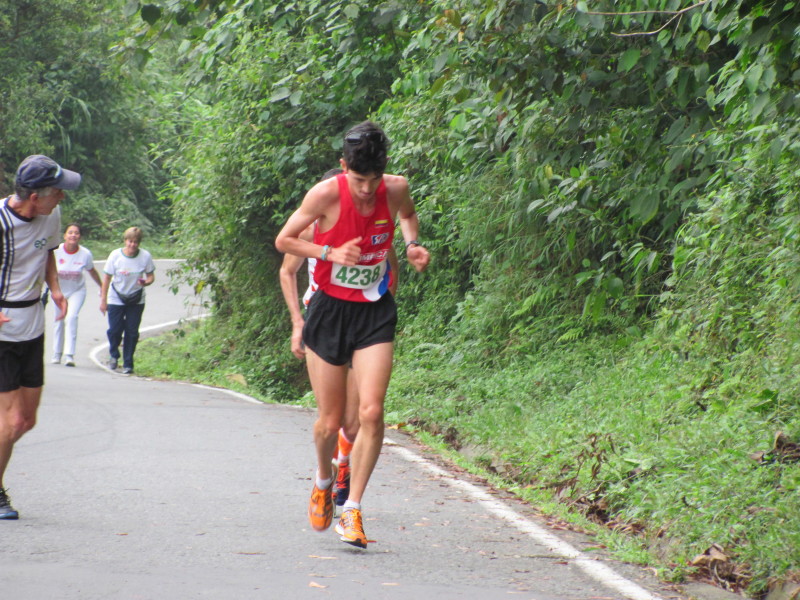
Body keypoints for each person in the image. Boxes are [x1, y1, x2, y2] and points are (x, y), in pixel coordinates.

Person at [276, 121, 430, 548]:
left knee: (371, 412)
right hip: (328, 310)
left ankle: (353, 509)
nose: (366, 190)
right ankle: (324, 481)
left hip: (374, 310)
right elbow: (284, 241)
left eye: (373, 180)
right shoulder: (325, 194)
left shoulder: (396, 188)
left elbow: (408, 216)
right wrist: (328, 251)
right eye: (359, 180)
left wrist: (413, 244)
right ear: (344, 167)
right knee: (329, 423)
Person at [279, 168, 399, 510]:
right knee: (331, 421)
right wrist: (297, 323)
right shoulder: (310, 226)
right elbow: (287, 271)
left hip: (366, 320)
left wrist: (384, 307)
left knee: (357, 418)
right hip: (326, 319)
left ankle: (343, 466)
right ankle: (325, 477)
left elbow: (388, 265)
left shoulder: (371, 225)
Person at [0, 154, 80, 520]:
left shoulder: (51, 216)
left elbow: (48, 254)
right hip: (2, 329)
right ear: (35, 196)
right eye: (57, 192)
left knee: (27, 420)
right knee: (11, 422)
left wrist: (57, 288)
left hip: (33, 322)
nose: (61, 198)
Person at [99, 227, 155, 376]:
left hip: (136, 299)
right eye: (130, 241)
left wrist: (146, 282)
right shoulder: (115, 256)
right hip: (116, 297)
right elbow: (106, 279)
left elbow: (151, 276)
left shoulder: (145, 256)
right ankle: (114, 354)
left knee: (132, 332)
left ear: (139, 243)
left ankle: (128, 363)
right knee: (115, 330)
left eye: (136, 242)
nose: (132, 245)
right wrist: (103, 300)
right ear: (125, 241)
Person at [50, 223, 102, 367]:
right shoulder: (56, 252)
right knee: (59, 320)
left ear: (80, 237)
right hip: (59, 291)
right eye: (70, 232)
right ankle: (56, 354)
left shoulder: (85, 254)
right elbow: (48, 271)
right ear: (65, 235)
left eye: (76, 233)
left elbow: (92, 271)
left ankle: (69, 355)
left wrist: (102, 287)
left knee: (71, 317)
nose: (73, 235)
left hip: (77, 291)